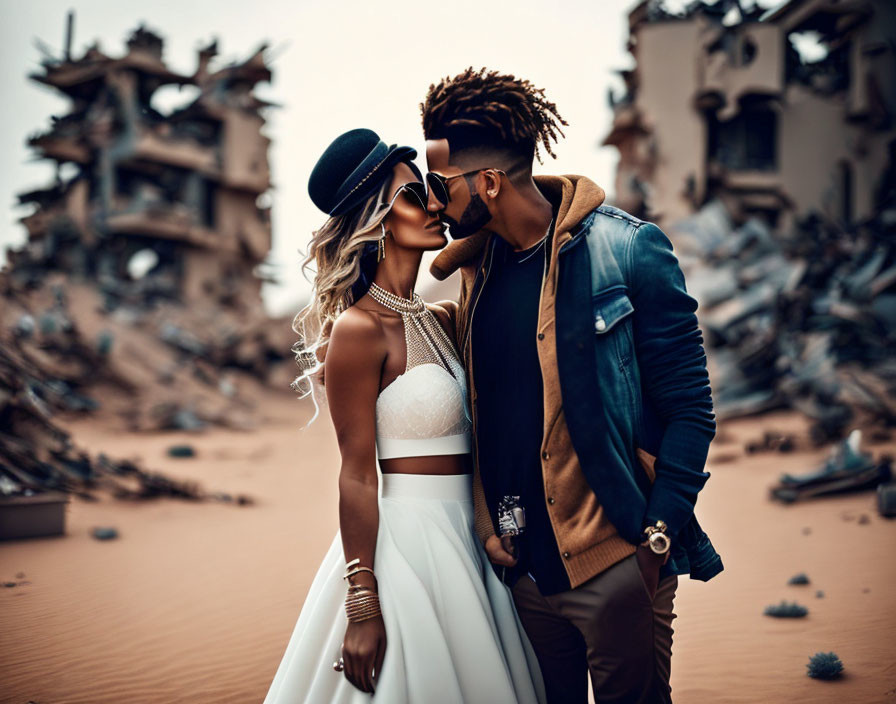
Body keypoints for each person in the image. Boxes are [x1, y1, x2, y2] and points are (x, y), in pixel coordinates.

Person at [419, 68, 724, 704]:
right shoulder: (475, 276)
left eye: (440, 185)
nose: (433, 202)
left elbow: (691, 408)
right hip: (525, 575)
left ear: (490, 182)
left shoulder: (629, 250)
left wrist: (656, 537)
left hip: (616, 558)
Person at [262, 127, 545, 704]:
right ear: (379, 219)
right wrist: (363, 606)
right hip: (404, 552)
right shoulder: (357, 332)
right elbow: (358, 475)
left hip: (470, 545)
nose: (437, 203)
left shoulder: (440, 321)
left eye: (433, 190)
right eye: (416, 196)